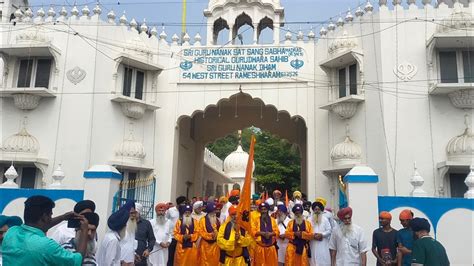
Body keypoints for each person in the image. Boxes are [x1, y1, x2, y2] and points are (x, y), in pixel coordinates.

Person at [2, 195, 89, 265]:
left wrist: (63, 217)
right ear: (44, 217)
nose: (51, 218)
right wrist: (84, 231)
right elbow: (77, 261)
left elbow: (41, 225)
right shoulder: (47, 245)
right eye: (50, 215)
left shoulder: (11, 233)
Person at [96, 200, 135, 266]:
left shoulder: (109, 235)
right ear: (122, 226)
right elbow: (109, 264)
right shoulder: (113, 240)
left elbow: (112, 259)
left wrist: (121, 262)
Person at [251, 202, 278, 266]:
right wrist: (262, 233)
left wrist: (270, 234)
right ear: (260, 210)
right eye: (262, 209)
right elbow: (252, 231)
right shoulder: (256, 220)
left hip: (270, 248)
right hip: (260, 248)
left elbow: (277, 231)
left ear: (267, 210)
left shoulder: (272, 220)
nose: (263, 211)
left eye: (265, 209)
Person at [309, 201, 332, 266]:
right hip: (312, 243)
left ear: (321, 210)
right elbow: (306, 231)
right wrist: (313, 235)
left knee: (323, 261)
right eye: (315, 209)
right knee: (313, 261)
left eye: (318, 209)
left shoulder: (325, 219)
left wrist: (322, 235)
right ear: (313, 210)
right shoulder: (309, 220)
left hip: (323, 243)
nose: (317, 211)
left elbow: (329, 230)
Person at [166, 195, 186, 266]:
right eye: (183, 203)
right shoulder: (171, 210)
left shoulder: (185, 211)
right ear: (179, 203)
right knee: (171, 256)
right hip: (172, 237)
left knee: (179, 257)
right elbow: (166, 220)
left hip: (182, 237)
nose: (184, 205)